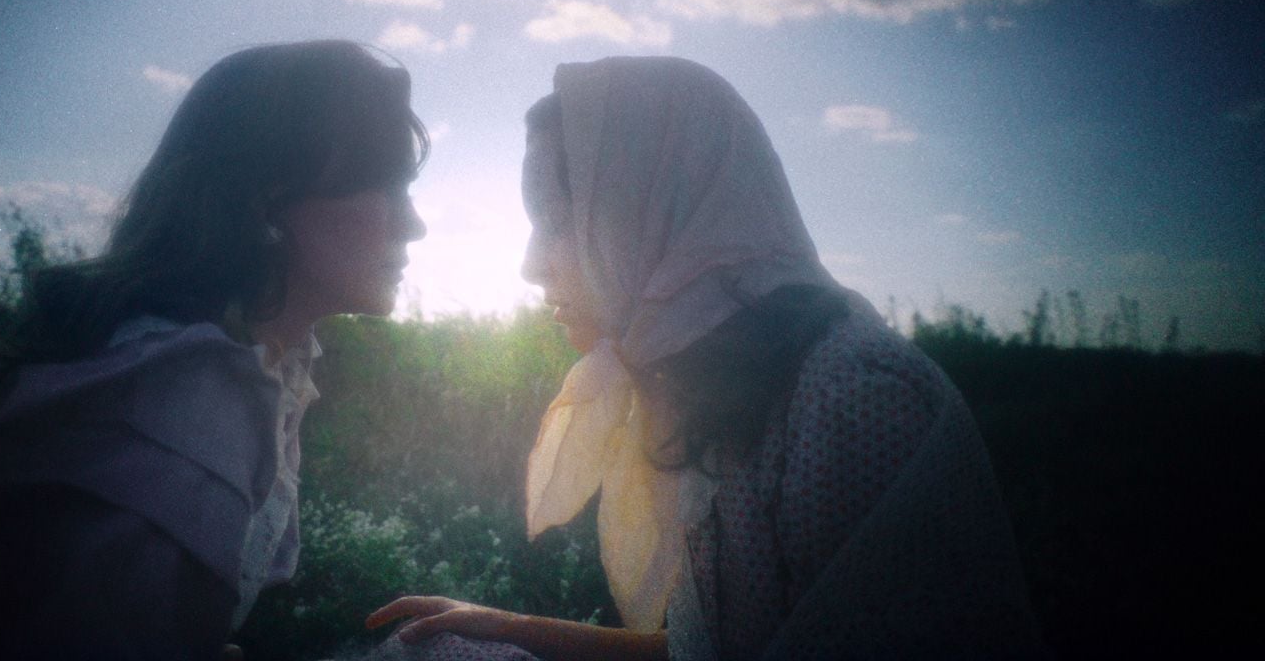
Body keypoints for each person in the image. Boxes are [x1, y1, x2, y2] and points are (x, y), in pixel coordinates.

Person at [368, 57, 1045, 659]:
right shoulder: (706, 386)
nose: (530, 266)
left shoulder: (854, 399)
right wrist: (512, 627)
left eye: (557, 222)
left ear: (655, 213)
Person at [0, 40, 429, 659]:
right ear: (267, 201)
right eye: (387, 188)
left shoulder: (245, 363)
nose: (415, 225)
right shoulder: (176, 397)